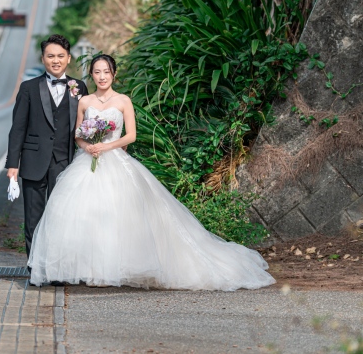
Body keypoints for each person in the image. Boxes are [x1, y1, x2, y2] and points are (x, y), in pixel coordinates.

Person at [27, 54, 275, 291]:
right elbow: (78, 135)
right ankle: (93, 270)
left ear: (114, 74)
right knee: (87, 215)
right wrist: (88, 146)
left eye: (106, 72)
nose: (102, 76)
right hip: (88, 161)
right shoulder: (85, 101)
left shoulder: (123, 101)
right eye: (97, 72)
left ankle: (111, 270)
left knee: (117, 215)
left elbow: (131, 136)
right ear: (91, 75)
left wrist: (106, 145)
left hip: (116, 159)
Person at [6, 34, 88, 261]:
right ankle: (35, 268)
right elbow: (17, 128)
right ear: (43, 59)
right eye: (50, 56)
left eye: (60, 56)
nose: (56, 60)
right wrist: (13, 164)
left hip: (66, 162)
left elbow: (86, 124)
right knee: (33, 217)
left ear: (69, 58)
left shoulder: (79, 87)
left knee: (62, 217)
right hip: (33, 161)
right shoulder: (28, 88)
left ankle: (56, 267)